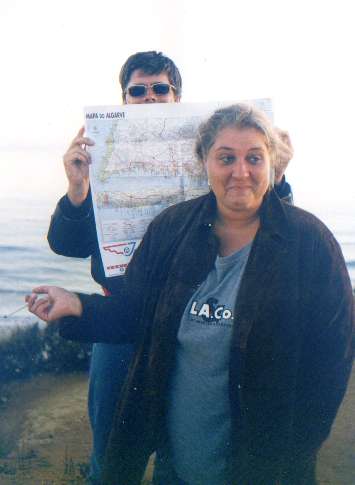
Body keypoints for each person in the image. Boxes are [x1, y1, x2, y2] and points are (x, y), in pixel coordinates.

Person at [29, 103, 353, 485]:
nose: (240, 171)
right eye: (226, 157)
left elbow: (332, 360)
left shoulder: (310, 242)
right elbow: (136, 313)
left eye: (254, 157)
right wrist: (78, 305)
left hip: (266, 468)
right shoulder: (171, 228)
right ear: (204, 161)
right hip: (178, 464)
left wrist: (298, 451)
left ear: (272, 162)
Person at [47, 57, 295, 485]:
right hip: (119, 319)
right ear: (123, 98)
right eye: (138, 90)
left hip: (193, 322)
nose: (149, 98)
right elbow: (66, 245)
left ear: (177, 98)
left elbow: (260, 221)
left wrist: (278, 176)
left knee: (182, 449)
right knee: (111, 450)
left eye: (160, 89)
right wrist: (77, 188)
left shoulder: (210, 153)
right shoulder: (98, 165)